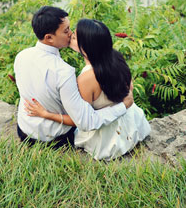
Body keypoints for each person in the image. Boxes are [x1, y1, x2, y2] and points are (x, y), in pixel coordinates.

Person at [24, 18, 150, 160]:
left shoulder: (86, 79)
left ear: (86, 47)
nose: (70, 35)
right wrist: (122, 104)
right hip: (131, 122)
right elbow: (129, 88)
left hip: (107, 137)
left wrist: (45, 114)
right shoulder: (115, 57)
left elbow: (80, 121)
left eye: (75, 36)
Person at [14, 6, 134, 149]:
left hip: (24, 129)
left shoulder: (22, 56)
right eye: (66, 31)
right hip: (54, 138)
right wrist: (124, 106)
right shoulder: (64, 72)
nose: (70, 34)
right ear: (49, 38)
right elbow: (86, 121)